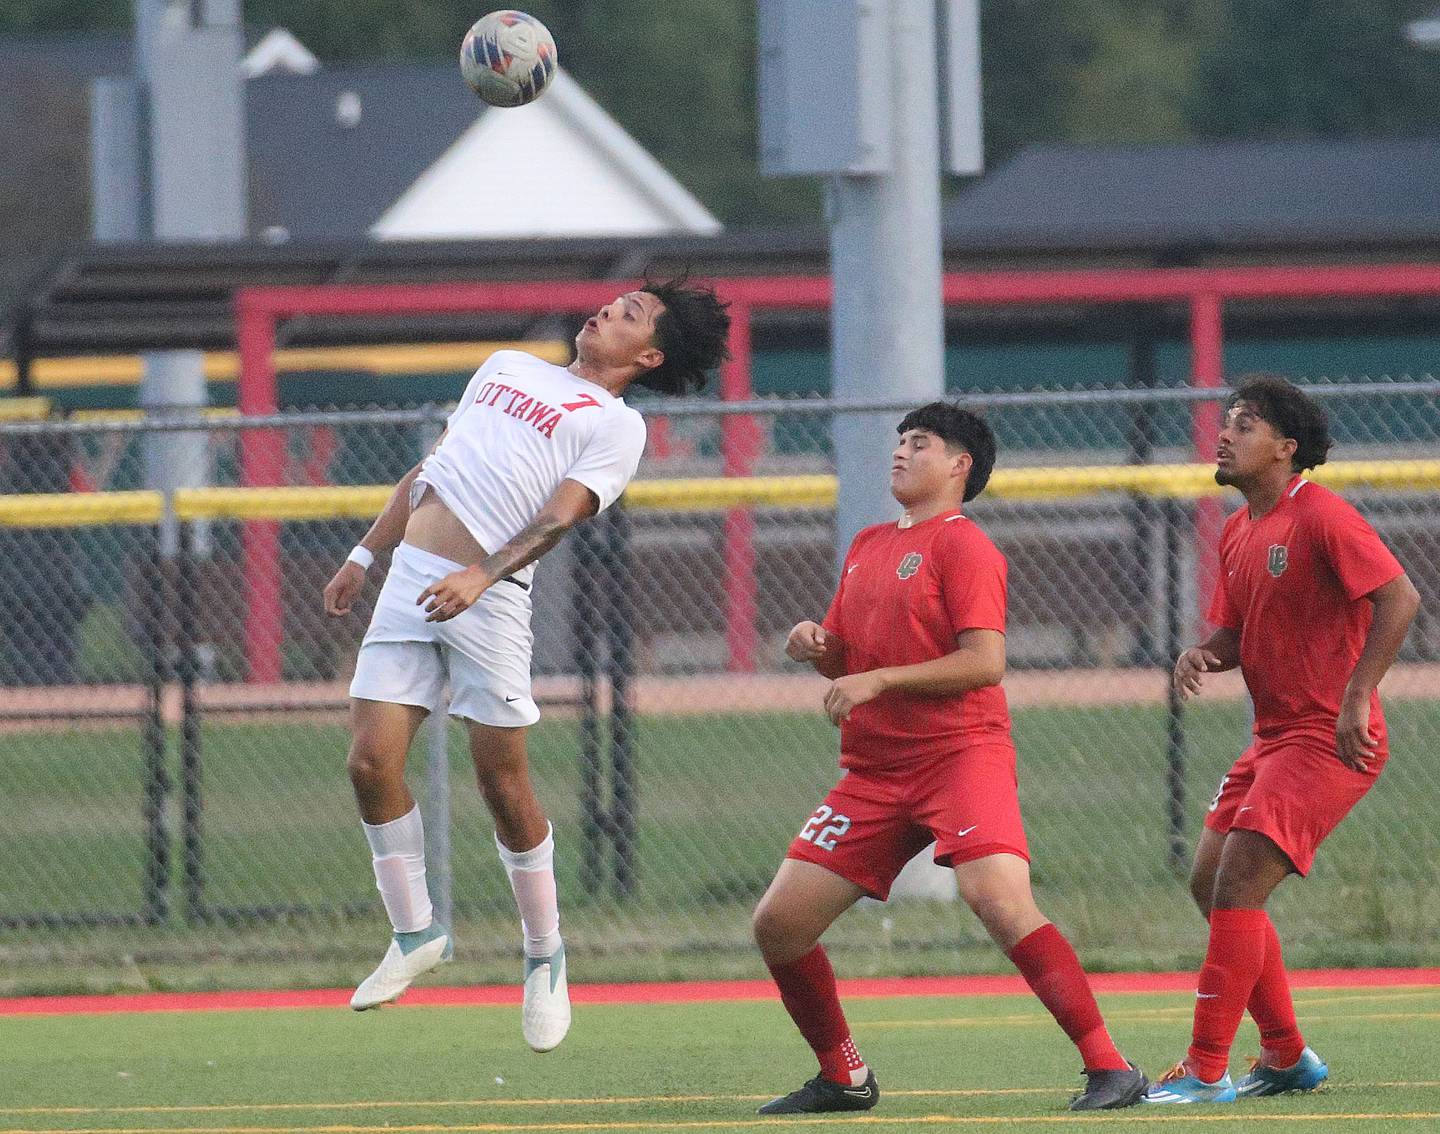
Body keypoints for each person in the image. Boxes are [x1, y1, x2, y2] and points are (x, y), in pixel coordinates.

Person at [322, 278, 730, 1051]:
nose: (609, 309)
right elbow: (429, 472)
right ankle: (416, 935)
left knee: (502, 784)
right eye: (617, 300)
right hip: (410, 577)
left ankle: (544, 952)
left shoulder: (614, 425)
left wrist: (481, 577)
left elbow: (558, 517)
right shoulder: (506, 365)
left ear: (648, 355)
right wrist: (363, 553)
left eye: (632, 314)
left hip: (492, 598)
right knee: (370, 764)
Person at [752, 403, 1148, 1115]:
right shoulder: (868, 542)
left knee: (996, 898)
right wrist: (814, 644)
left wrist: (877, 680)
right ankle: (844, 1077)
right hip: (875, 771)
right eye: (900, 441)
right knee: (778, 925)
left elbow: (985, 662)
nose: (901, 453)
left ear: (960, 466)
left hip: (961, 755)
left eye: (920, 443)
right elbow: (846, 662)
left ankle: (1112, 1067)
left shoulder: (964, 546)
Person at [1143, 375, 1420, 1104]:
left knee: (1237, 883)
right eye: (1226, 422)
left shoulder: (1321, 515)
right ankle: (1288, 1056)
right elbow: (1237, 635)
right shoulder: (1238, 529)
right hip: (1272, 740)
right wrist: (1205, 652)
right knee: (1211, 884)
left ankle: (1206, 1070)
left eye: (1245, 425)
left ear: (1285, 449)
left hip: (1328, 739)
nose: (1225, 434)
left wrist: (1358, 694)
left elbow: (1400, 597)